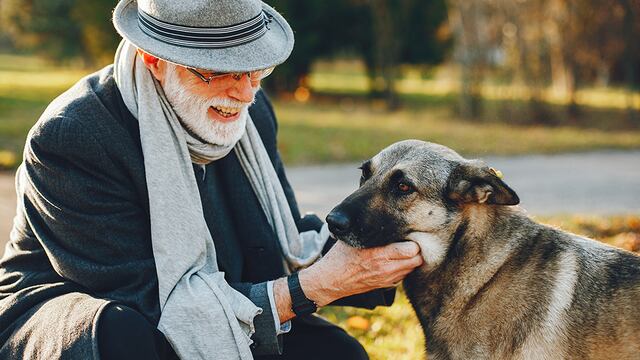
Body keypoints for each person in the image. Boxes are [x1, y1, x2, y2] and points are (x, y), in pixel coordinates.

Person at [0, 0, 424, 359]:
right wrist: (316, 285)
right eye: (219, 71)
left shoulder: (252, 114)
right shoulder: (74, 135)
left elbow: (277, 245)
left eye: (255, 68)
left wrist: (383, 251)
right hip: (89, 317)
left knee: (337, 353)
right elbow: (148, 305)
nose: (244, 92)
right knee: (123, 338)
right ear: (154, 59)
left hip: (221, 295)